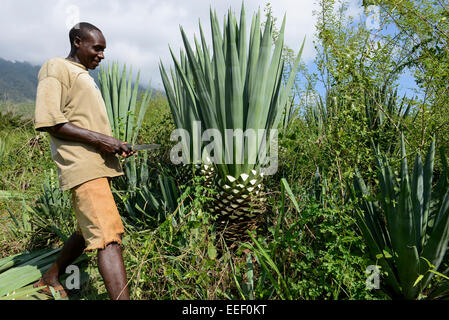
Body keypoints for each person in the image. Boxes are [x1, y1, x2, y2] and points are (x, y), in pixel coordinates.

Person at [32, 22, 134, 300]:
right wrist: (103, 141)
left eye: (104, 50)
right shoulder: (56, 67)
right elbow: (51, 122)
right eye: (96, 47)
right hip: (82, 167)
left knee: (87, 230)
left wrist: (114, 145)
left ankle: (50, 276)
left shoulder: (83, 75)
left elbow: (83, 122)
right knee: (108, 238)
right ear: (77, 41)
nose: (101, 54)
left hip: (95, 165)